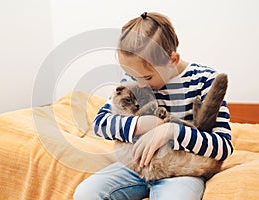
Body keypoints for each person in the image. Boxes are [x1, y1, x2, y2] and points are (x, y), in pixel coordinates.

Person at [73, 12, 233, 200]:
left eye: (147, 77)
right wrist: (142, 124)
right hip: (135, 166)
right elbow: (100, 124)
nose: (140, 84)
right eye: (134, 76)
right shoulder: (135, 80)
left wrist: (170, 131)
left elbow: (223, 146)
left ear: (172, 60)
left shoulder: (205, 80)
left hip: (180, 172)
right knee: (86, 194)